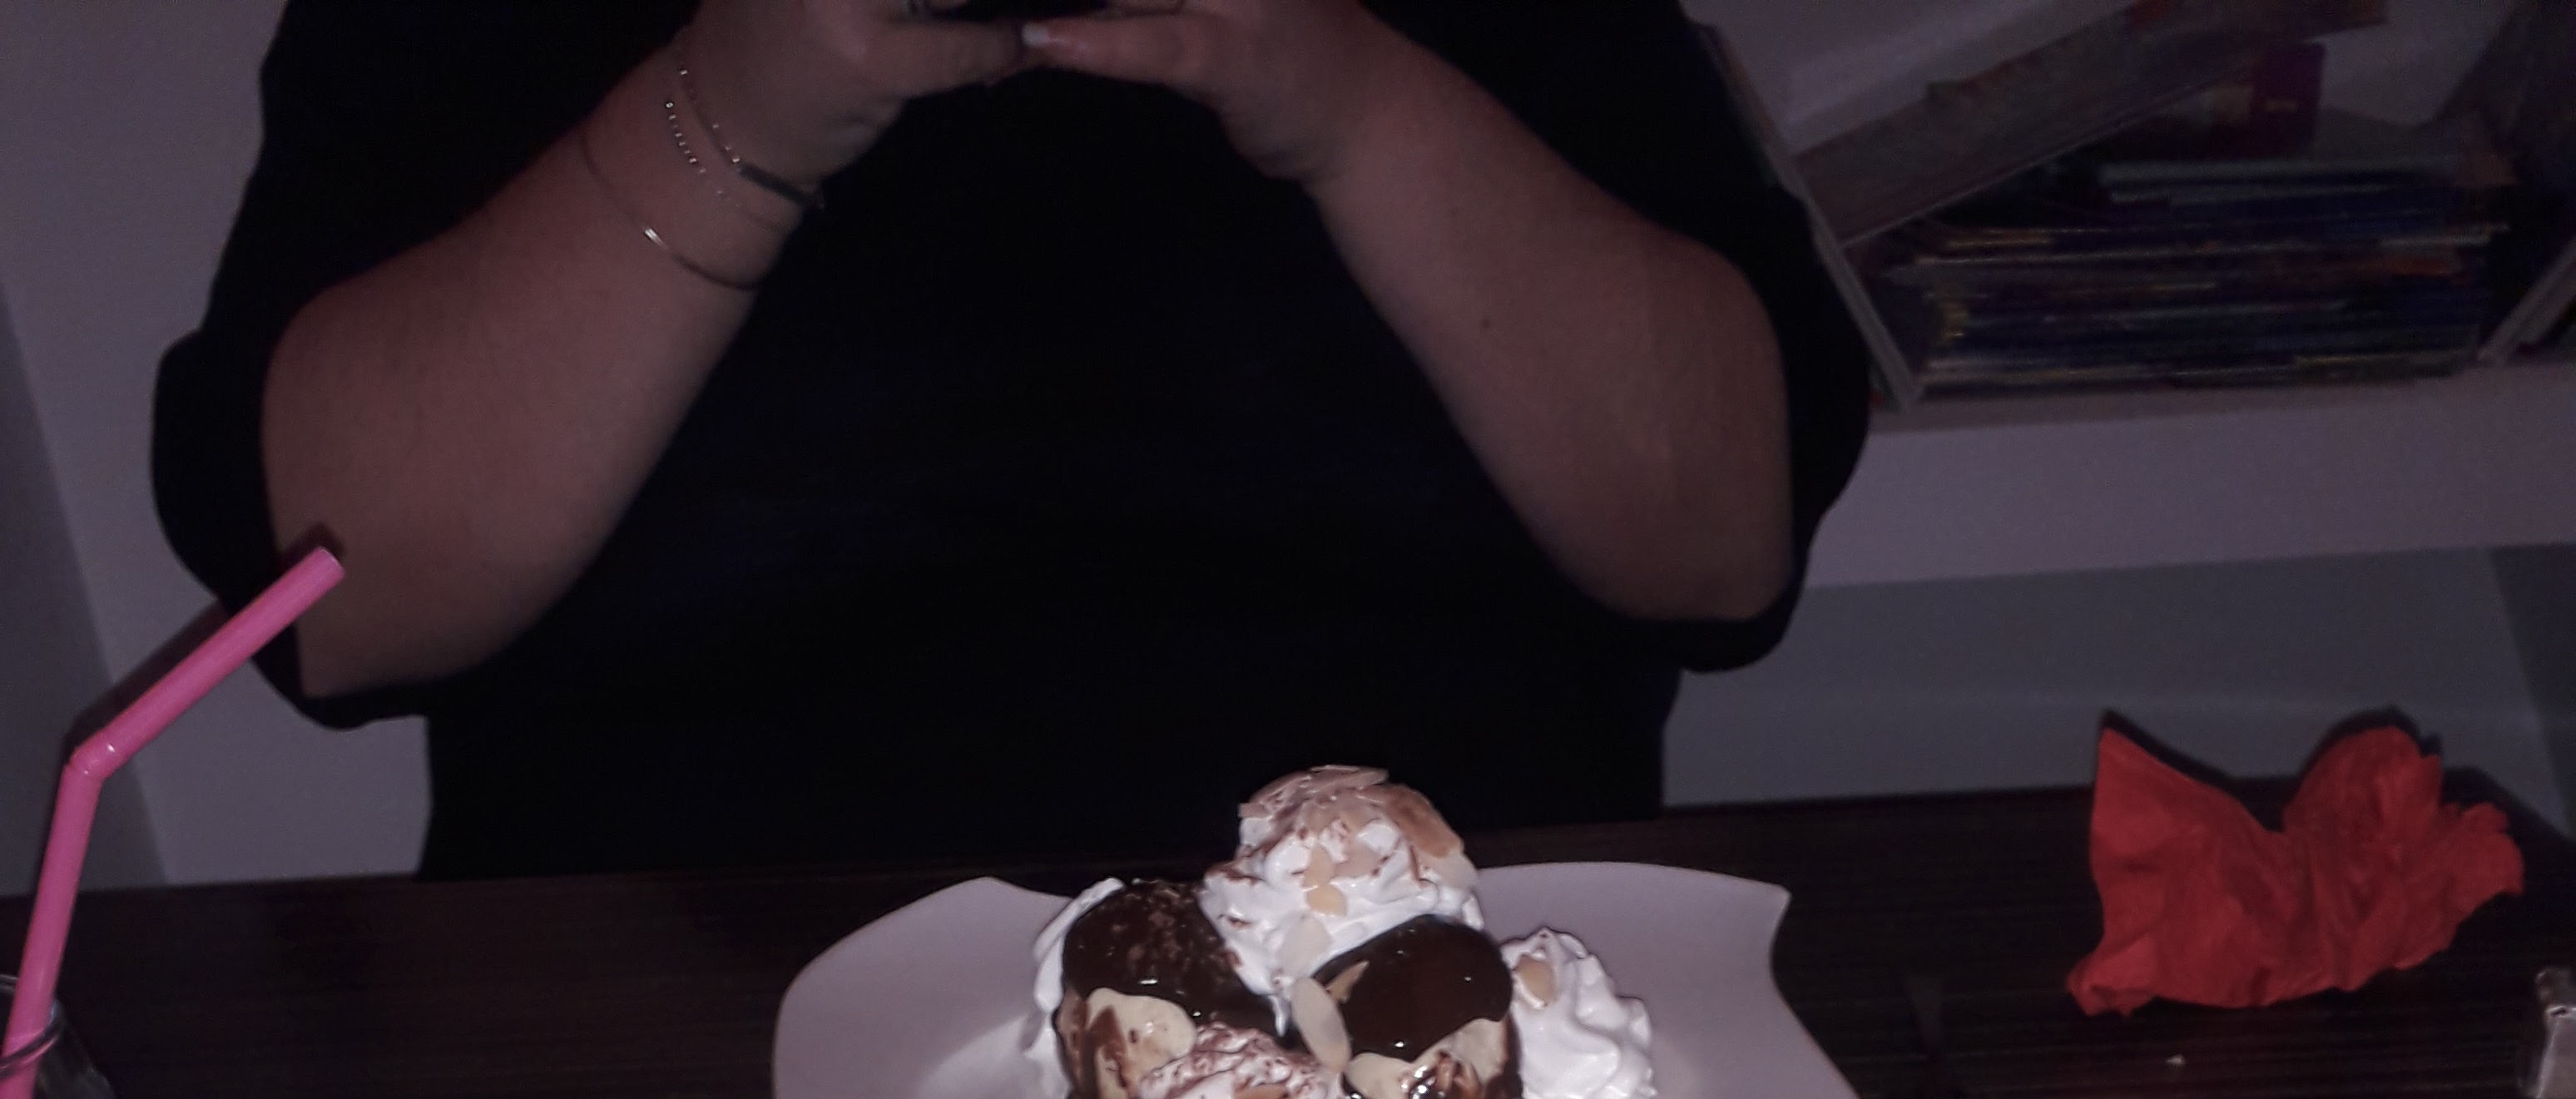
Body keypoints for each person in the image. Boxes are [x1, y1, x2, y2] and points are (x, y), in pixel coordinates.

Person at [155, 0, 1870, 877]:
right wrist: (725, 121)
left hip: (1436, 1035)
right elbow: (328, 604)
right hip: (668, 1093)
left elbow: (1723, 541)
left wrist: (1349, 99)